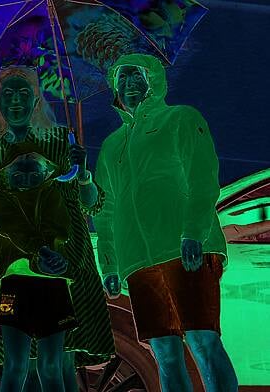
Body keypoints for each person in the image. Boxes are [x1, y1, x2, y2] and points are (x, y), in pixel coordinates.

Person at [93, 53, 237, 392]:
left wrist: (193, 232)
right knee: (164, 352)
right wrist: (111, 263)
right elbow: (106, 209)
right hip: (139, 262)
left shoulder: (181, 119)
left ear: (153, 81)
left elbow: (202, 178)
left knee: (203, 340)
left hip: (184, 247)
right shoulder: (112, 146)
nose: (128, 84)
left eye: (136, 77)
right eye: (122, 79)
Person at [0, 66, 115, 390]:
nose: (15, 101)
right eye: (8, 94)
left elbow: (91, 203)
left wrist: (83, 174)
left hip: (67, 259)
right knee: (19, 365)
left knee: (61, 363)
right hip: (15, 262)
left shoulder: (61, 140)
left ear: (36, 100)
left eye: (23, 93)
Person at [0, 142, 79, 392]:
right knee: (15, 364)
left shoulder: (53, 194)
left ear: (45, 173)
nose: (27, 181)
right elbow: (14, 226)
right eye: (19, 175)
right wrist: (42, 252)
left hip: (53, 285)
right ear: (6, 175)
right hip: (15, 284)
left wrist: (51, 256)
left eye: (34, 174)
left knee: (52, 365)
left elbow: (58, 226)